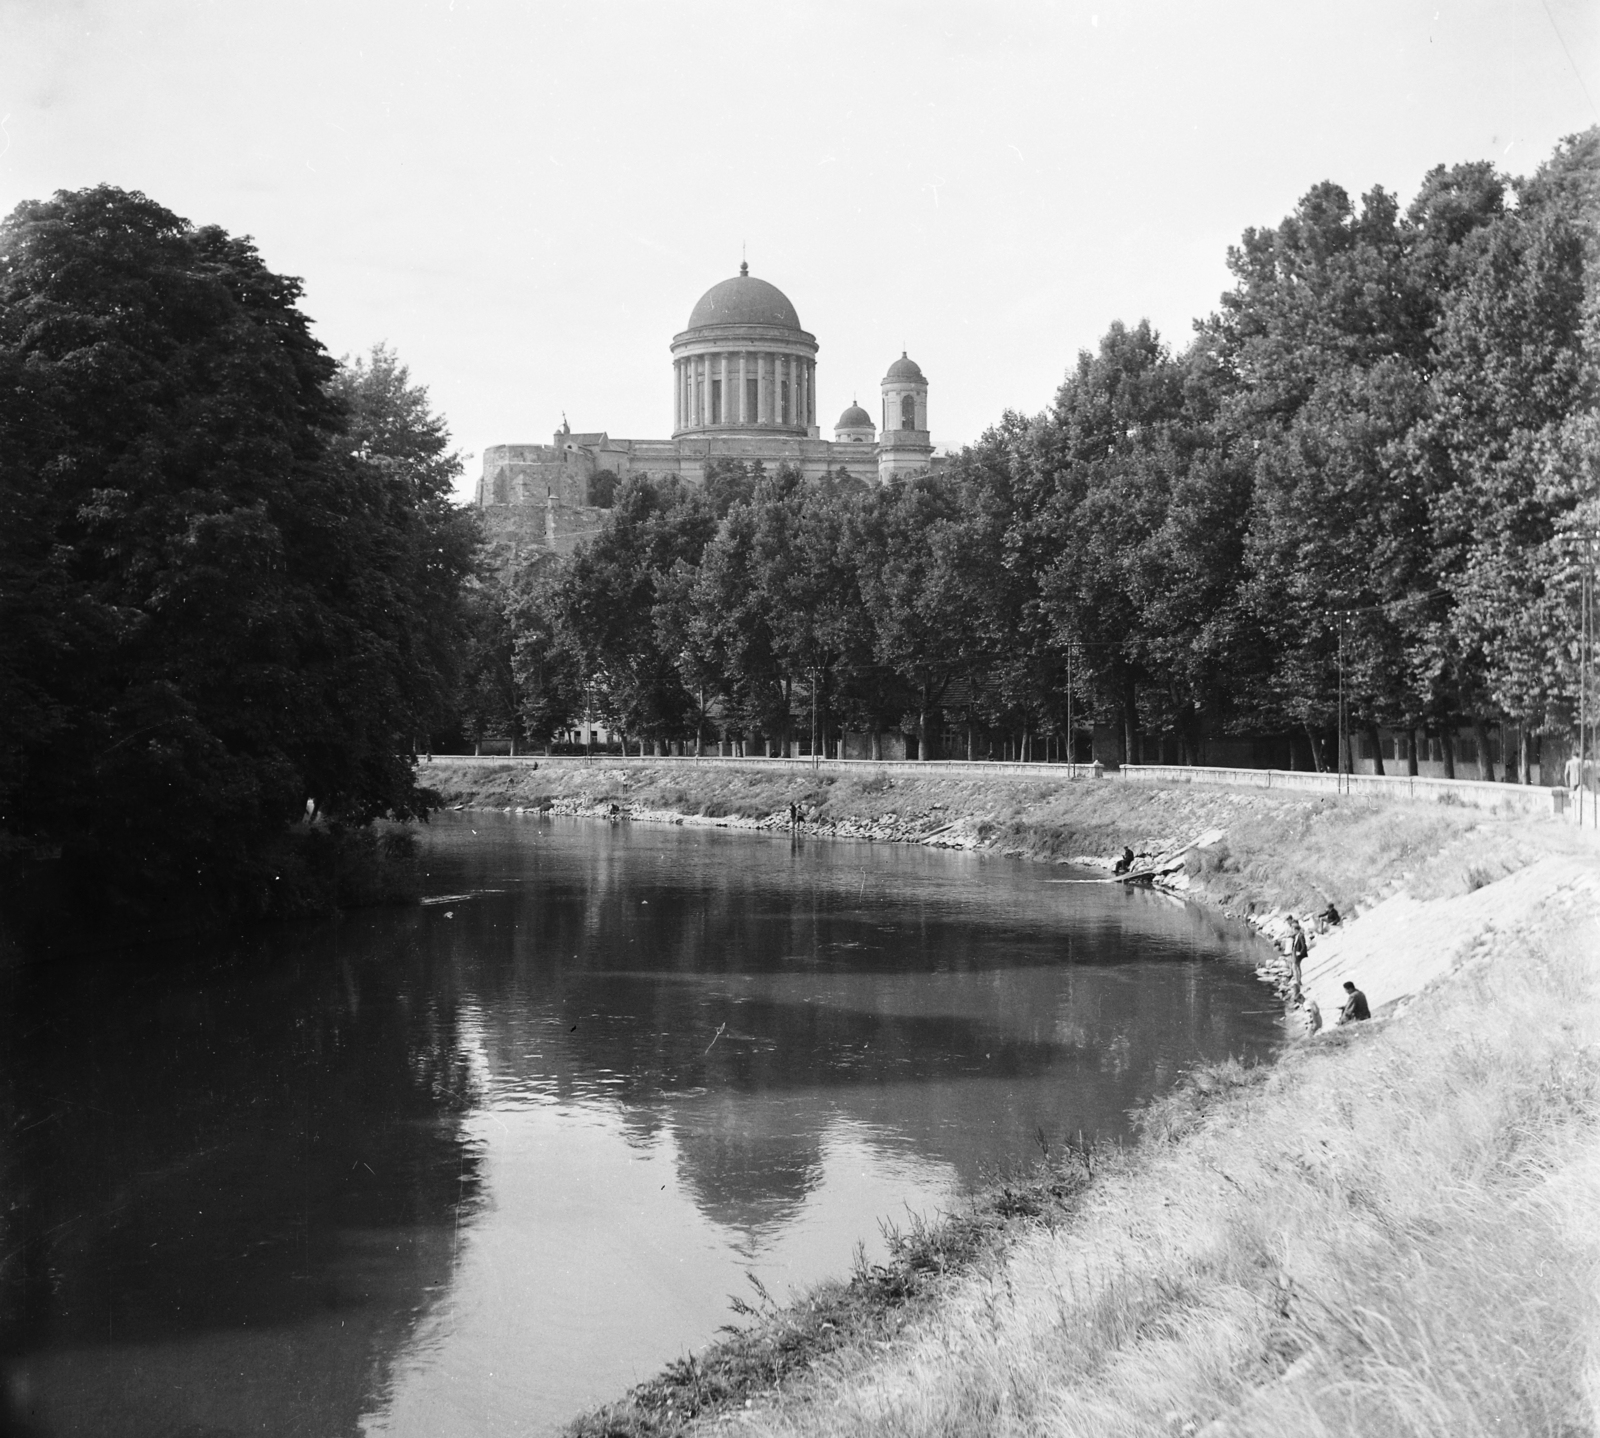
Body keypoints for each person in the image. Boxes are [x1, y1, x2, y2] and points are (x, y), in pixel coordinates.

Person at [1287, 916, 1308, 992]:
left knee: (1295, 967)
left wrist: (1300, 952)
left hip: (1298, 953)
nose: (1293, 931)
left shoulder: (1301, 935)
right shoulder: (1297, 935)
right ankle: (1298, 980)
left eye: (1294, 930)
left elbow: (1303, 945)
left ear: (1297, 930)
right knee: (1296, 967)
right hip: (1295, 952)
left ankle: (1297, 981)